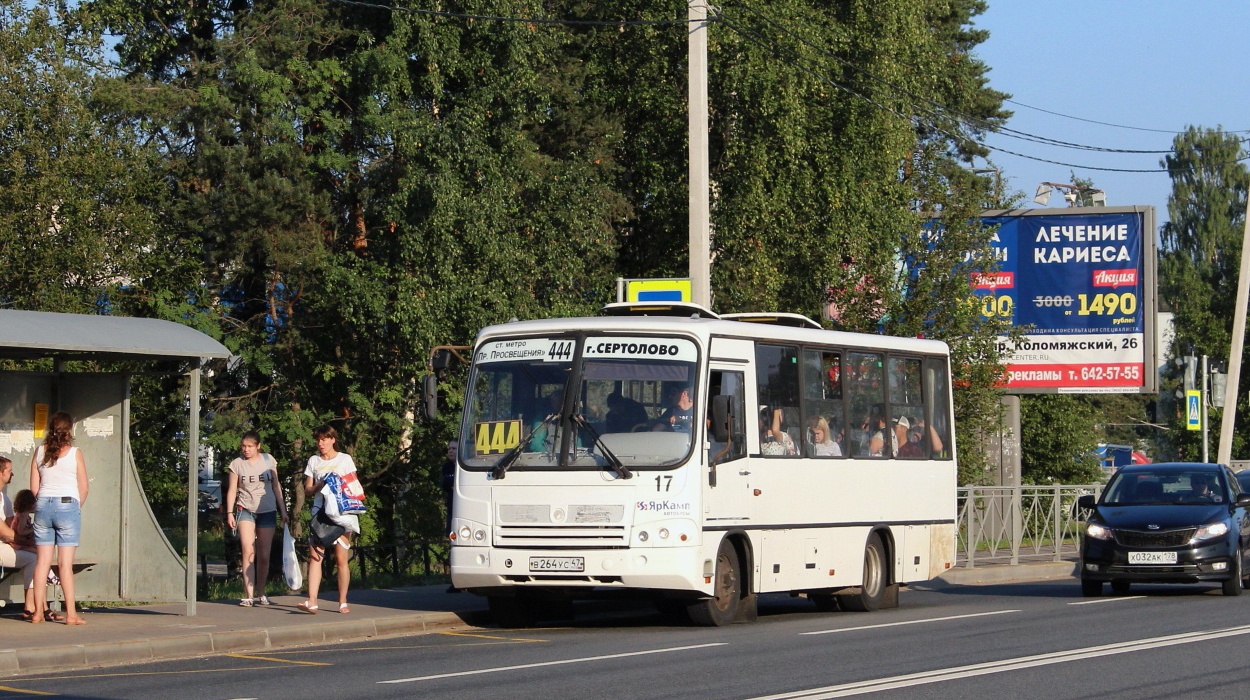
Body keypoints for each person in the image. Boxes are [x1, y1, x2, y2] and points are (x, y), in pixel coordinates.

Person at [30, 411, 88, 625]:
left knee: (42, 561)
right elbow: (84, 487)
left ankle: (37, 613)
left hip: (43, 505)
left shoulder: (39, 452)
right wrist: (74, 508)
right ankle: (71, 615)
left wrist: (46, 504)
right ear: (70, 430)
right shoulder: (75, 453)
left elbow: (34, 488)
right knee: (65, 564)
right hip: (67, 505)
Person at [298, 424, 359, 614]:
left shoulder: (344, 459)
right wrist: (320, 484)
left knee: (341, 558)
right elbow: (307, 490)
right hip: (321, 512)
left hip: (341, 512)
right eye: (318, 440)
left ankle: (342, 602)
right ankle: (312, 600)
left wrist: (338, 483)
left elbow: (354, 485)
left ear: (333, 439)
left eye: (324, 439)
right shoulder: (314, 461)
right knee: (315, 555)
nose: (321, 443)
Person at [225, 431, 287, 607]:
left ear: (258, 446)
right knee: (247, 550)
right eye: (243, 446)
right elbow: (232, 490)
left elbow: (276, 486)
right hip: (245, 509)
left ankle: (261, 591)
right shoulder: (237, 464)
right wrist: (229, 512)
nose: (246, 449)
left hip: (267, 511)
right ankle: (248, 595)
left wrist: (283, 510)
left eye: (250, 446)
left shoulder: (268, 461)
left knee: (264, 555)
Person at [0, 457, 38, 620]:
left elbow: (12, 528)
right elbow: (7, 533)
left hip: (4, 545)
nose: (12, 473)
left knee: (37, 555)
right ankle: (30, 606)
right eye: (9, 470)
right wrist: (28, 543)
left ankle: (36, 605)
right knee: (34, 559)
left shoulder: (4, 498)